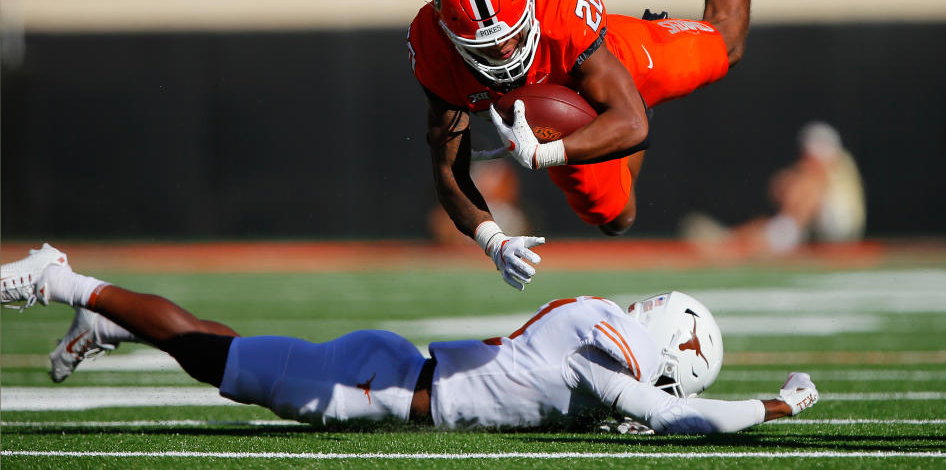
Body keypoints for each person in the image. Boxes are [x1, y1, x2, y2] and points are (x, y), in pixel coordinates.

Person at [2, 244, 818, 433]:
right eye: (681, 373)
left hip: (396, 375)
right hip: (383, 389)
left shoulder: (605, 326)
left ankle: (105, 320)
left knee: (233, 356)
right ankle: (65, 279)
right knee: (219, 360)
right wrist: (776, 406)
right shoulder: (608, 348)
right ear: (670, 346)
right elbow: (679, 420)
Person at [406, 0, 772, 289]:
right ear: (448, 31)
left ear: (528, 3)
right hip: (559, 115)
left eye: (511, 36)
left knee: (727, 44)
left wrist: (546, 155)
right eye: (487, 46)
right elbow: (449, 172)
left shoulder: (560, 12)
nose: (504, 52)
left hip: (606, 60)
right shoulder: (434, 50)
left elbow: (634, 125)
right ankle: (616, 111)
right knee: (617, 218)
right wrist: (495, 242)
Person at [682, 121, 866, 255]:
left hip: (835, 231)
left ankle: (736, 243)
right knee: (770, 221)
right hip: (836, 231)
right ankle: (731, 239)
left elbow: (788, 195)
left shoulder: (819, 173)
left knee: (794, 206)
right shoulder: (838, 166)